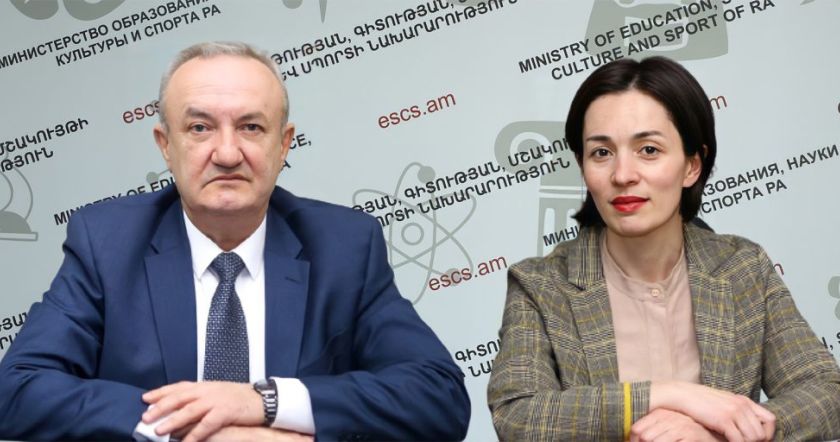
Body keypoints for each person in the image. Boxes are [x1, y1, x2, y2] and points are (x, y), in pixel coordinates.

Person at [0, 41, 470, 441]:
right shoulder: (107, 243)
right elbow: (17, 389)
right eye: (200, 128)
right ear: (165, 145)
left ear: (283, 144)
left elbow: (438, 396)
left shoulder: (344, 246)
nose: (226, 153)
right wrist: (191, 426)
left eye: (251, 127)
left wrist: (265, 402)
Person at [487, 56, 840, 441]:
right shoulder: (540, 284)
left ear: (692, 165)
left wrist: (718, 433)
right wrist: (668, 395)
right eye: (601, 153)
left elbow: (826, 393)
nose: (623, 175)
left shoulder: (742, 267)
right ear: (582, 165)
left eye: (649, 150)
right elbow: (517, 416)